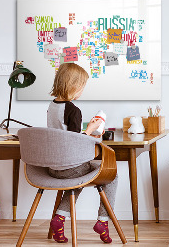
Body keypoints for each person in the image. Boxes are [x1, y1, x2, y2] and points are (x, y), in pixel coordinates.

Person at [47, 63, 117, 244]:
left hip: (53, 167)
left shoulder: (52, 106)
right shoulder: (73, 110)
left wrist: (87, 130)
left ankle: (59, 219)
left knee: (77, 178)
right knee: (112, 175)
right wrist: (92, 129)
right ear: (74, 86)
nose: (82, 91)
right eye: (82, 86)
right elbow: (75, 141)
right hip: (70, 167)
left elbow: (64, 135)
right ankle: (103, 221)